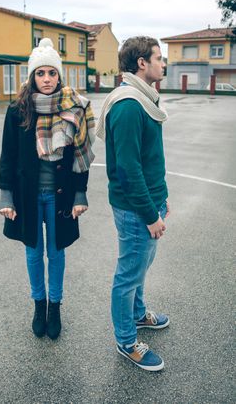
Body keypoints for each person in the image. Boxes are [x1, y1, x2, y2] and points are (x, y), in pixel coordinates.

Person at [0, 38, 95, 340]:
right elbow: (8, 155)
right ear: (32, 77)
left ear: (59, 75)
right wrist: (6, 195)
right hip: (27, 196)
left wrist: (80, 193)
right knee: (33, 253)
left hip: (59, 196)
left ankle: (55, 306)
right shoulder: (18, 111)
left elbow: (81, 153)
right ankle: (38, 305)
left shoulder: (73, 107)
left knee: (56, 253)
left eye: (52, 73)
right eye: (40, 73)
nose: (47, 79)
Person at [96, 36, 170, 371]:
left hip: (149, 202)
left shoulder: (144, 99)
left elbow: (149, 159)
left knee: (139, 268)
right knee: (128, 274)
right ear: (142, 63)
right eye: (158, 57)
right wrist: (150, 213)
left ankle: (138, 315)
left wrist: (162, 199)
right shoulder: (128, 105)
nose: (163, 63)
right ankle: (127, 341)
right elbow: (127, 169)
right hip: (135, 208)